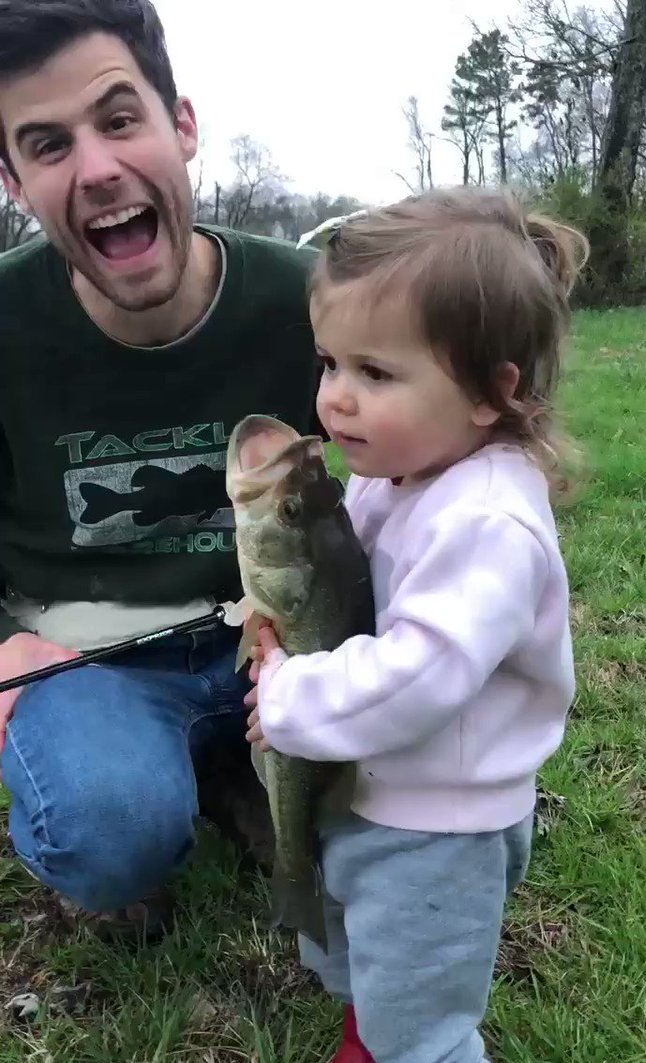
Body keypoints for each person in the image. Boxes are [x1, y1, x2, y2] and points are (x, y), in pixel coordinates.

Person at [245, 188, 588, 1063]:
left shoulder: (490, 519)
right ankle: (377, 1049)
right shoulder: (398, 472)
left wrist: (297, 701)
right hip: (377, 791)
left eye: (375, 372)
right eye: (330, 365)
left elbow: (423, 674)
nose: (335, 398)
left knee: (418, 998)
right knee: (350, 948)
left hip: (438, 826)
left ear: (489, 392)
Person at [0, 0, 321, 938]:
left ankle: (227, 764)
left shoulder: (309, 300)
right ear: (15, 180)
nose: (96, 168)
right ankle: (158, 788)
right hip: (92, 656)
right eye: (47, 145)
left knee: (408, 815)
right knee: (110, 831)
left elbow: (411, 455)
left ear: (181, 126)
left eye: (118, 118)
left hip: (276, 636)